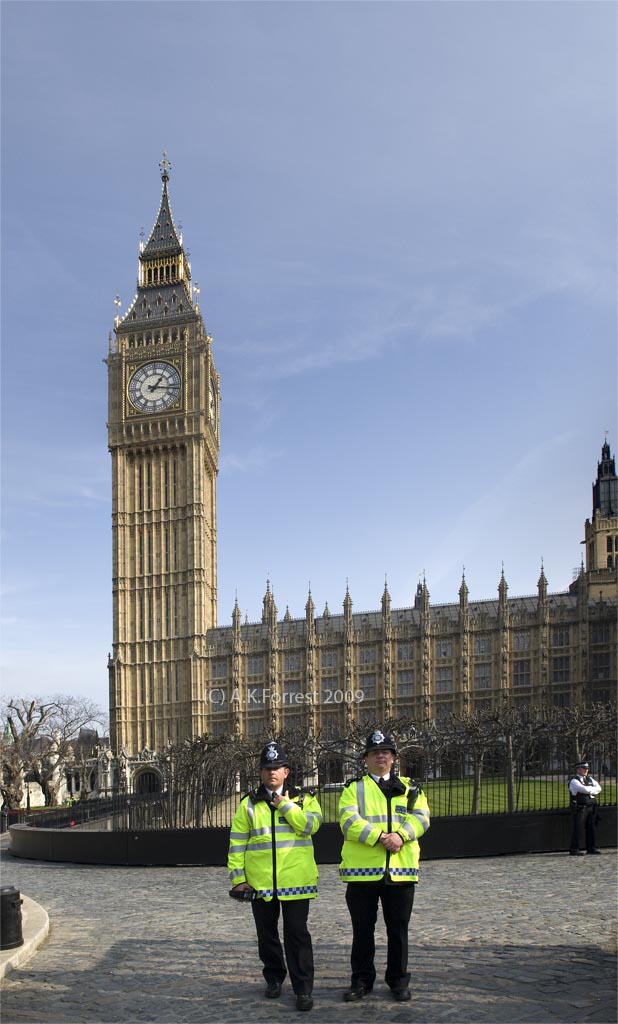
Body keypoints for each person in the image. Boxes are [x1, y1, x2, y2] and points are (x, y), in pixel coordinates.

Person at [227, 740, 322, 1012]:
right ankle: (274, 978)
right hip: (261, 882)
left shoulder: (305, 799)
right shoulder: (248, 804)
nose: (271, 772)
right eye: (267, 768)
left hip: (296, 880)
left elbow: (310, 826)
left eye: (277, 767)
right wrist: (238, 879)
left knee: (297, 935)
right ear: (260, 772)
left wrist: (285, 806)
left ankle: (303, 989)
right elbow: (237, 843)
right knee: (266, 935)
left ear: (286, 772)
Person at [338, 729, 430, 1003]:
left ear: (393, 758)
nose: (381, 756)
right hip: (362, 872)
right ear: (366, 758)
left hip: (400, 871)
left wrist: (401, 836)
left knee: (398, 930)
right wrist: (380, 837)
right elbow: (348, 821)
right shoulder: (353, 789)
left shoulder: (411, 788)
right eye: (375, 752)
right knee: (362, 930)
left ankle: (398, 981)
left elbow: (422, 818)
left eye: (386, 752)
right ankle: (362, 980)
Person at [569, 761, 602, 856]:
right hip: (580, 807)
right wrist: (592, 790)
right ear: (578, 769)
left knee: (591, 827)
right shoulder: (574, 781)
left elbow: (599, 788)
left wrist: (590, 789)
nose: (586, 770)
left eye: (587, 769)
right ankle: (574, 848)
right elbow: (584, 789)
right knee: (578, 828)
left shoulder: (589, 779)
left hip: (591, 806)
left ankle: (591, 848)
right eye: (584, 768)